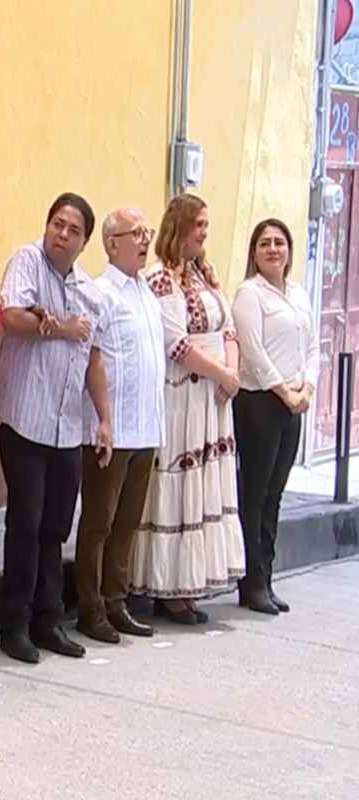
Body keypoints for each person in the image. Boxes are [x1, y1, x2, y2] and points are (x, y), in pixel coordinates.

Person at [0, 192, 113, 664]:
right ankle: (14, 625)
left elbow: (94, 360)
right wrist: (61, 327)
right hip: (26, 420)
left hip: (68, 427)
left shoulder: (90, 291)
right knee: (25, 525)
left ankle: (48, 621)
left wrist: (104, 419)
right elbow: (11, 317)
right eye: (57, 224)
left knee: (55, 527)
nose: (62, 235)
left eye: (73, 230)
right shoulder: (26, 261)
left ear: (85, 242)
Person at [131, 194, 245, 624]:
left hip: (213, 397)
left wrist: (231, 373)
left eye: (206, 225)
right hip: (184, 397)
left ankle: (193, 581)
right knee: (180, 487)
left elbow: (228, 328)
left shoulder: (204, 275)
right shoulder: (161, 280)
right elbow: (176, 344)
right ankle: (171, 587)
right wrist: (221, 373)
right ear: (179, 227)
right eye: (198, 225)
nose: (204, 233)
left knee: (206, 487)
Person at [73, 209, 165, 644]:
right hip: (112, 430)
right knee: (98, 524)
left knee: (127, 523)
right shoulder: (101, 293)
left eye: (147, 233)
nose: (145, 240)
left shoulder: (147, 293)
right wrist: (105, 420)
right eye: (136, 234)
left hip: (146, 428)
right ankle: (90, 609)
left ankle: (116, 601)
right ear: (112, 243)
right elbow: (92, 358)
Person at [232, 218, 318, 614]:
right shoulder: (250, 294)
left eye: (279, 242)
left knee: (274, 495)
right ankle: (250, 584)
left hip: (293, 404)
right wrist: (285, 391)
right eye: (264, 243)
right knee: (254, 495)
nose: (272, 249)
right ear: (254, 252)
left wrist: (307, 390)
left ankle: (266, 577)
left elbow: (311, 348)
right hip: (260, 404)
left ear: (289, 250)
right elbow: (252, 351)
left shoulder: (298, 294)